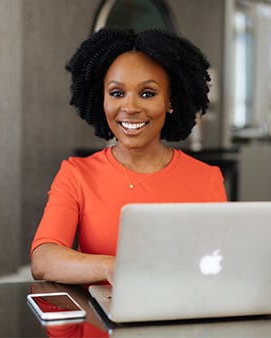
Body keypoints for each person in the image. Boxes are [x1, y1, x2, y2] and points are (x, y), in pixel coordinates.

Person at [30, 28, 227, 285]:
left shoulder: (206, 179)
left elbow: (221, 266)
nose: (130, 107)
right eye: (116, 93)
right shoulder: (76, 174)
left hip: (180, 316)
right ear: (102, 99)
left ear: (170, 101)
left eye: (147, 93)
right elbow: (44, 260)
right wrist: (111, 267)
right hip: (101, 320)